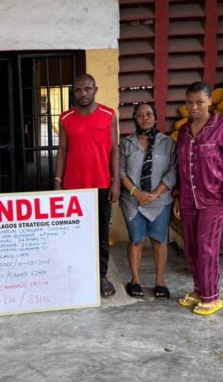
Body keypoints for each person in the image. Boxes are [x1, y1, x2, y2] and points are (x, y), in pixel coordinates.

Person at [173, 81, 223, 316]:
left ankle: (212, 296)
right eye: (189, 103)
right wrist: (178, 197)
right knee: (191, 247)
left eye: (199, 102)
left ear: (210, 101)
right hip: (188, 199)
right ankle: (199, 290)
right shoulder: (184, 131)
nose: (194, 107)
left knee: (206, 248)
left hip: (213, 200)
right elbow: (181, 168)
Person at [55, 73, 120, 298]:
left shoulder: (109, 115)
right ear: (73, 92)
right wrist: (57, 181)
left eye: (87, 89)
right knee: (75, 234)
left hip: (101, 185)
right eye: (78, 90)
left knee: (101, 234)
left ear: (95, 90)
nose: (83, 94)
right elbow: (62, 150)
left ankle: (101, 276)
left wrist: (116, 181)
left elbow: (114, 149)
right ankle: (77, 275)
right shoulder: (65, 118)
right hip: (73, 187)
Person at [119, 103, 177, 300]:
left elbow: (173, 171)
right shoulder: (126, 144)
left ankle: (160, 281)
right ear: (135, 119)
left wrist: (155, 193)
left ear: (155, 117)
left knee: (159, 240)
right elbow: (120, 171)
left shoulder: (168, 143)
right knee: (137, 240)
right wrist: (136, 193)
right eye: (140, 115)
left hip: (160, 200)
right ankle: (135, 280)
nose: (145, 118)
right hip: (132, 201)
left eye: (149, 114)